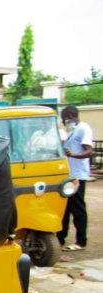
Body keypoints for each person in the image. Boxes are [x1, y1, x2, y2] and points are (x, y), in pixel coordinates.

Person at [57, 105, 93, 251]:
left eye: (64, 119)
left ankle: (81, 241)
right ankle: (60, 237)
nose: (63, 121)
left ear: (70, 116)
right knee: (65, 208)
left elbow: (89, 151)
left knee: (77, 208)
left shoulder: (84, 129)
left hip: (77, 175)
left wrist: (72, 155)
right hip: (68, 175)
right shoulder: (72, 131)